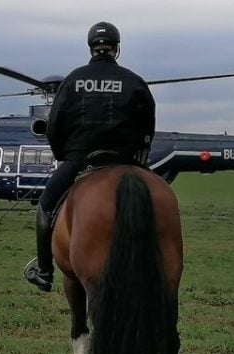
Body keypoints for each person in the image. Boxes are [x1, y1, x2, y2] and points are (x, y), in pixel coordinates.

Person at [23, 21, 156, 292]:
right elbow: (147, 122)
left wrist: (65, 155)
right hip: (126, 160)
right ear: (116, 49)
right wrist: (140, 155)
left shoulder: (73, 80)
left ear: (91, 47)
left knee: (46, 205)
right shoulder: (134, 81)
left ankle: (45, 271)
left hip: (80, 160)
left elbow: (54, 125)